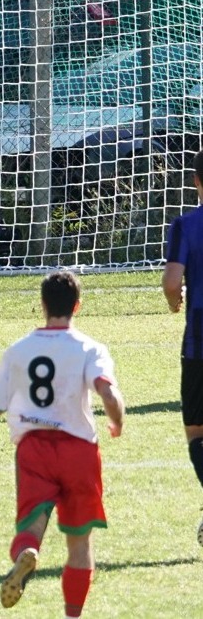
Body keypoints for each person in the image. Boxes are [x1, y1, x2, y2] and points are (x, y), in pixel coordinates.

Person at [0, 270, 124, 617]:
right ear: (77, 305)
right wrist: (117, 420)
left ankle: (27, 552)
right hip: (78, 449)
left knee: (30, 525)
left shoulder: (19, 350)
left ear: (42, 305)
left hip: (33, 448)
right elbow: (107, 391)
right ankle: (72, 614)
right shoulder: (89, 348)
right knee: (80, 544)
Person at [162, 148, 203, 545]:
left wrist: (175, 303)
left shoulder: (186, 225)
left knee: (196, 429)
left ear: (196, 181)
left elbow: (173, 282)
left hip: (200, 341)